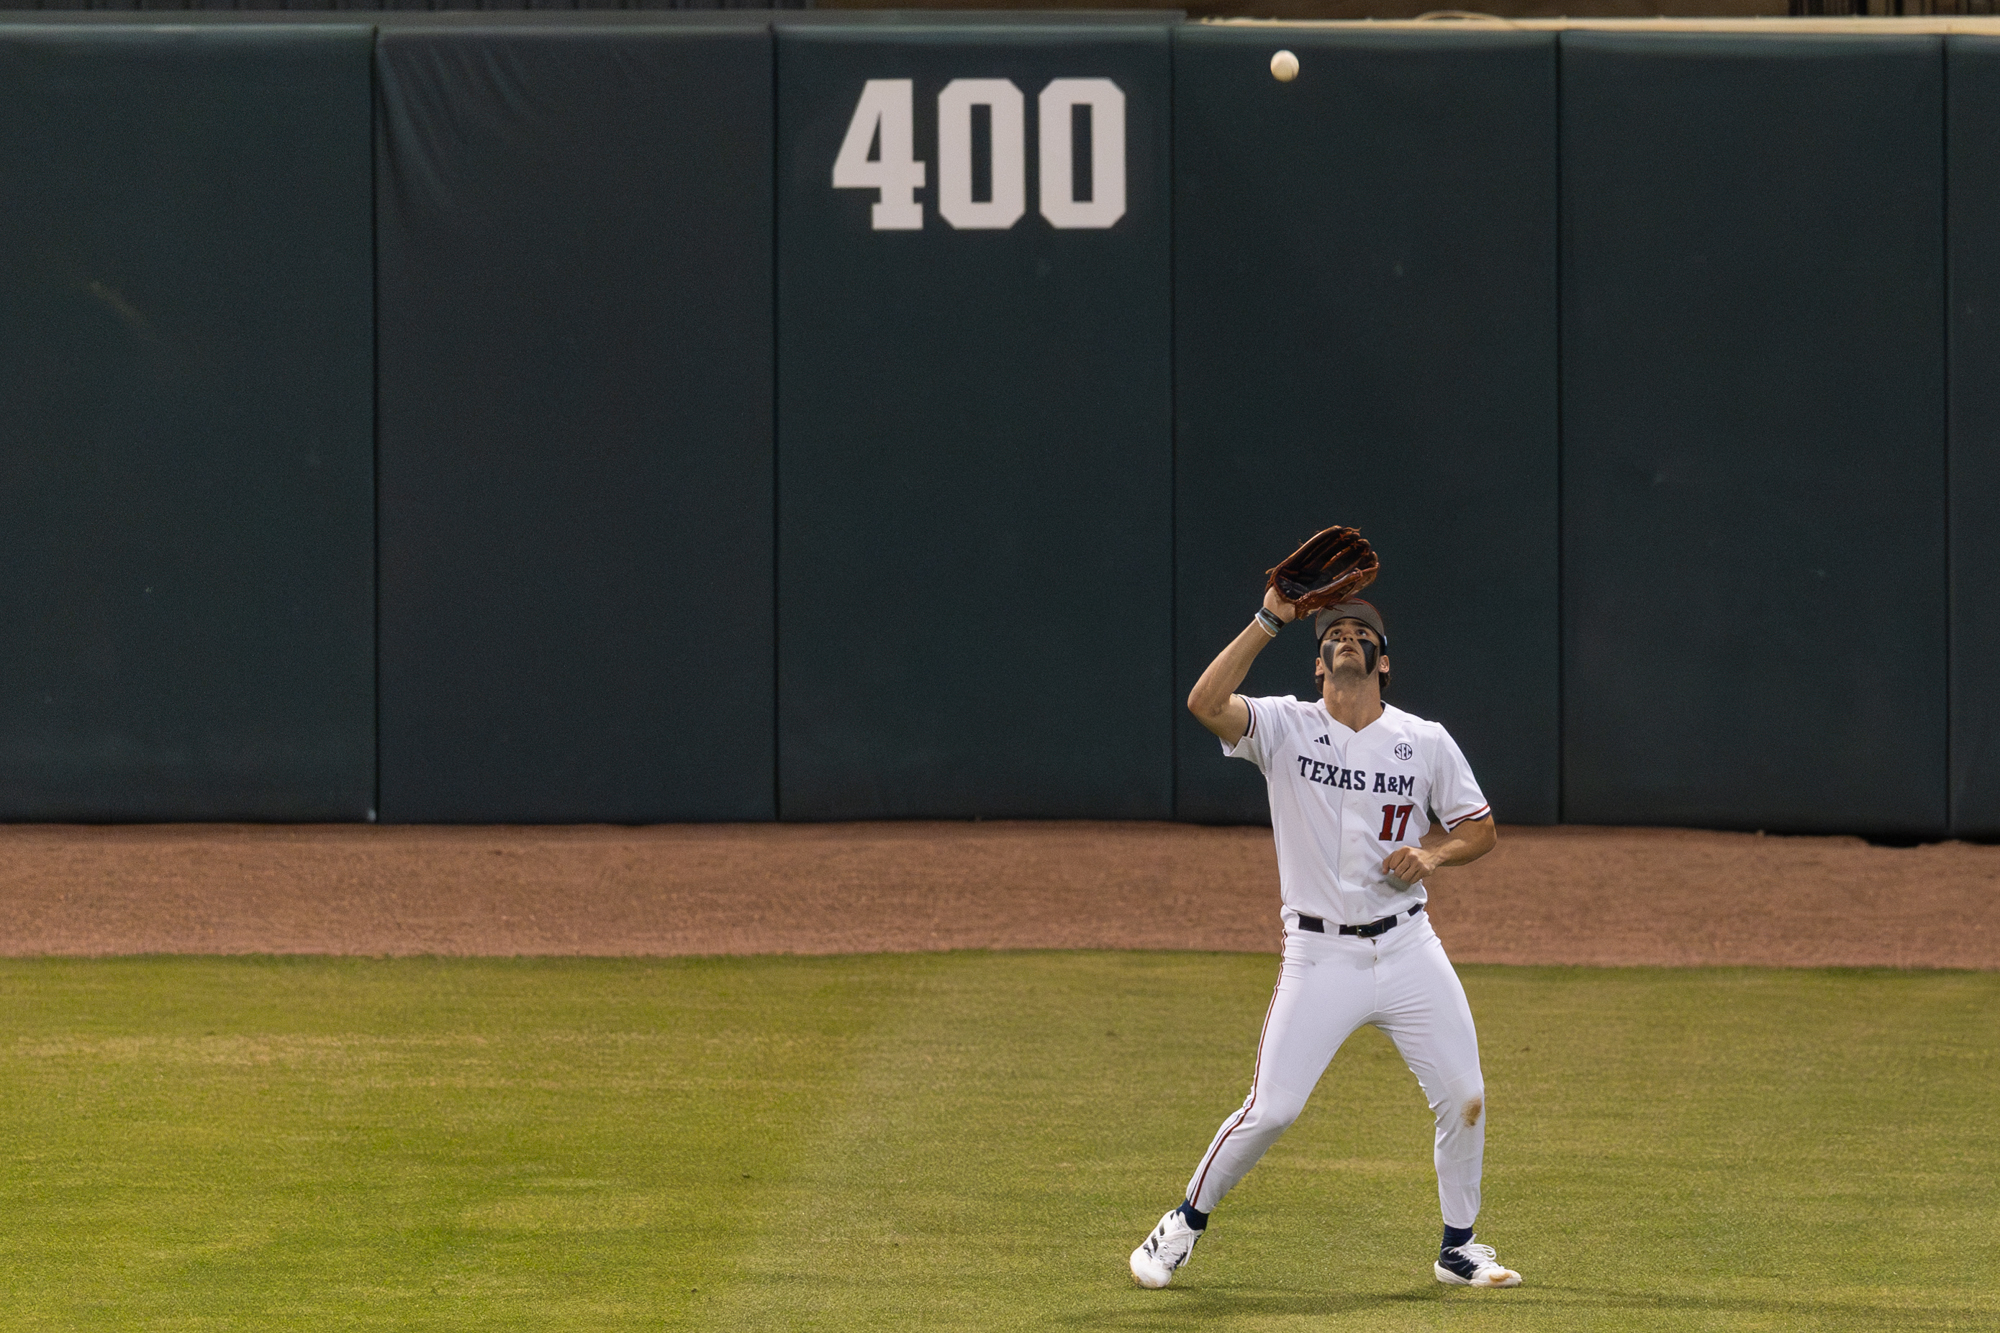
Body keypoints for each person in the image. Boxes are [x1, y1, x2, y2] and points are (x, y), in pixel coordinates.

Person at [1128, 585, 1521, 1291]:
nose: (1345, 637)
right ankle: (1183, 1221)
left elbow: (1480, 827)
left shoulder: (1423, 741)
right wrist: (1269, 618)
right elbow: (1205, 702)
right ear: (1316, 665)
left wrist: (1432, 856)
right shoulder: (1284, 726)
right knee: (1273, 1105)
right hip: (1319, 954)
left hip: (1408, 947)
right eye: (1333, 632)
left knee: (1466, 1093)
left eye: (1359, 631)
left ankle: (1459, 1246)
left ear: (1383, 661)